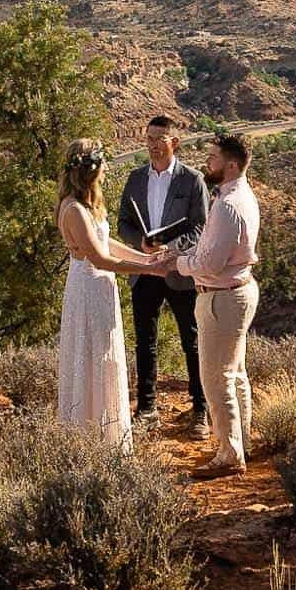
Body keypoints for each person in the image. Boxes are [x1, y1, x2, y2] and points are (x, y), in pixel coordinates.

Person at [54, 139, 168, 446]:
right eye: (103, 163)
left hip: (101, 287)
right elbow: (100, 258)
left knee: (102, 357)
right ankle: (93, 439)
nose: (107, 168)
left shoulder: (89, 205)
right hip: (89, 288)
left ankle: (108, 436)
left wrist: (145, 258)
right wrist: (150, 270)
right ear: (93, 169)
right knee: (93, 357)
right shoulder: (74, 210)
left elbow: (107, 243)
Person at [118, 114, 211, 428]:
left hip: (179, 272)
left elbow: (200, 228)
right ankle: (146, 409)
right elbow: (124, 223)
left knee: (192, 341)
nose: (153, 145)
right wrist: (141, 244)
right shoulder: (135, 178)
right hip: (144, 271)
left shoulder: (192, 179)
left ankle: (200, 410)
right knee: (145, 341)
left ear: (175, 142)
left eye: (159, 139)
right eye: (149, 139)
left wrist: (171, 251)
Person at [184, 133, 261, 477]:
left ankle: (230, 454)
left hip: (221, 297)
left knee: (216, 378)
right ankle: (240, 441)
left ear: (230, 165)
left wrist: (177, 263)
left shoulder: (228, 205)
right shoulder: (240, 195)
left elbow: (210, 264)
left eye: (213, 158)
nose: (207, 162)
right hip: (238, 291)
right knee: (236, 374)